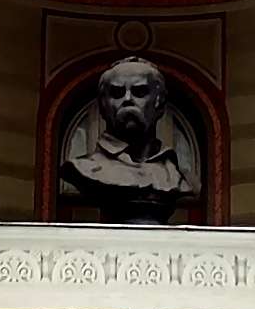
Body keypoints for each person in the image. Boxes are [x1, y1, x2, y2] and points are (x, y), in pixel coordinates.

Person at [59, 57, 199, 224]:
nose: (127, 99)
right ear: (103, 106)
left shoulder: (179, 176)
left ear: (159, 104)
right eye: (117, 93)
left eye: (139, 92)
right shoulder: (82, 169)